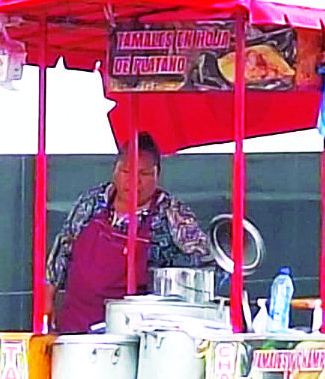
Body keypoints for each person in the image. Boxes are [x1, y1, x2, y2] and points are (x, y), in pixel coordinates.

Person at [45, 132, 212, 333]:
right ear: (114, 171)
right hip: (77, 328)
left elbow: (204, 258)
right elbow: (64, 247)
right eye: (126, 171)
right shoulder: (92, 202)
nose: (134, 181)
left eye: (144, 174)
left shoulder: (172, 213)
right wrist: (47, 297)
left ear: (157, 175)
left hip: (133, 332)